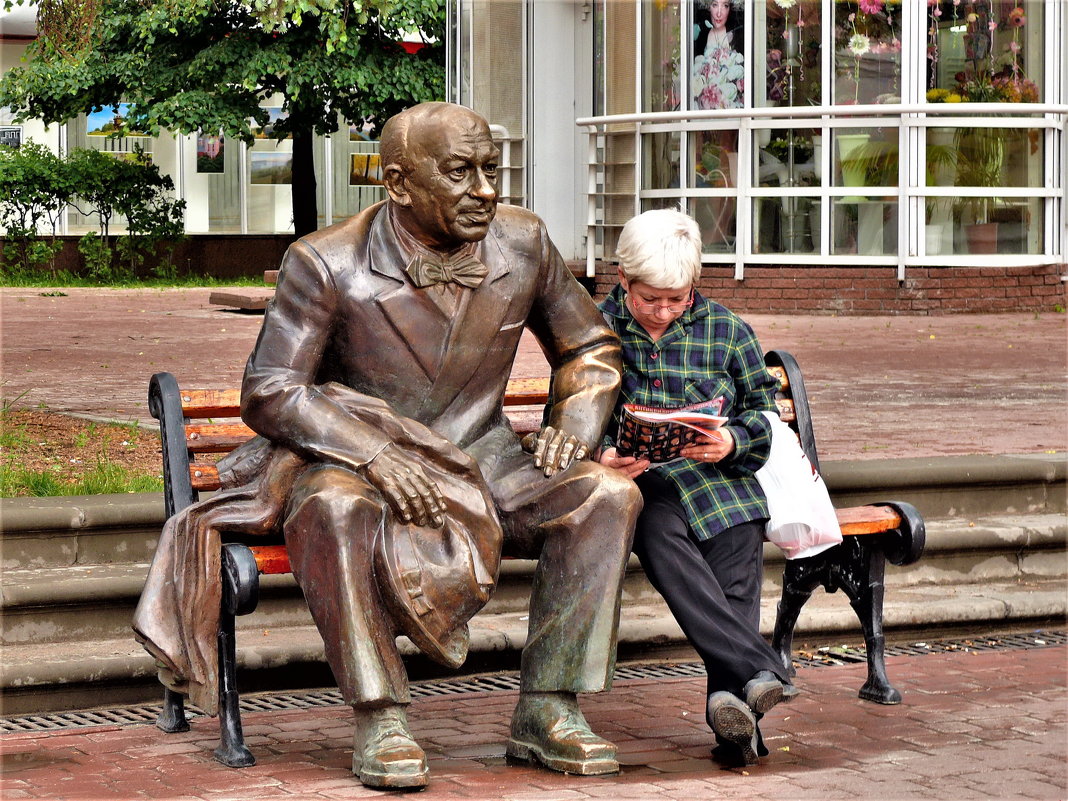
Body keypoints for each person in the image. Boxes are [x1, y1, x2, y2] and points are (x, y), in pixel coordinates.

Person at [134, 102, 641, 790]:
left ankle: (549, 706)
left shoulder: (523, 244)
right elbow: (272, 388)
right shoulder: (325, 261)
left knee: (606, 495)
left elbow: (589, 346)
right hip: (358, 464)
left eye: (491, 169)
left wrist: (574, 423)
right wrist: (371, 453)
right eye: (460, 172)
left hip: (487, 460)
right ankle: (380, 713)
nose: (486, 190)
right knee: (331, 509)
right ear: (398, 184)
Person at [596, 208, 797, 766]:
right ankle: (762, 670)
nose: (663, 311)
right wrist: (601, 456)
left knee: (734, 576)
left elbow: (762, 410)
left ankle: (734, 718)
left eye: (677, 299)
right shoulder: (593, 331)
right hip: (646, 486)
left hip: (722, 482)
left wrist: (732, 440)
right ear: (623, 279)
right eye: (649, 299)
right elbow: (564, 417)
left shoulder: (727, 329)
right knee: (660, 538)